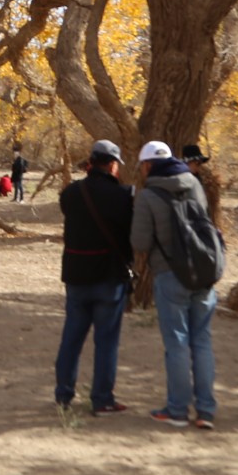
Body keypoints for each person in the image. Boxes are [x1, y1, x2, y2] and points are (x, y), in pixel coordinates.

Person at [131, 141, 221, 430]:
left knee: (177, 344)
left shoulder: (148, 195)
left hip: (170, 275)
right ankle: (206, 410)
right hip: (204, 272)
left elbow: (140, 242)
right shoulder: (194, 184)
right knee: (202, 341)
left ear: (147, 166)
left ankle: (178, 410)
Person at [55, 140, 135, 417]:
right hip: (110, 277)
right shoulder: (124, 196)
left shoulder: (70, 193)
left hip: (76, 275)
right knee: (107, 341)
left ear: (91, 163)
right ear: (113, 165)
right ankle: (102, 399)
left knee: (71, 339)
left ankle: (63, 395)